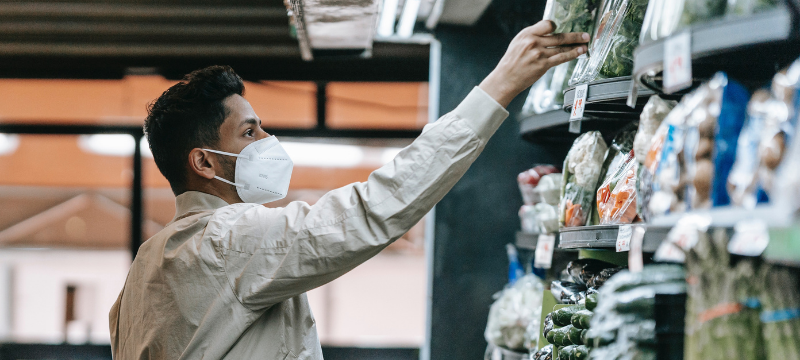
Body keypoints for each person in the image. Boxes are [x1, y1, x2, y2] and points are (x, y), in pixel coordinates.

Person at [109, 20, 588, 359]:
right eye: (250, 132)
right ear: (205, 162)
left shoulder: (143, 272)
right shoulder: (224, 241)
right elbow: (371, 210)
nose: (268, 143)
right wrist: (499, 86)